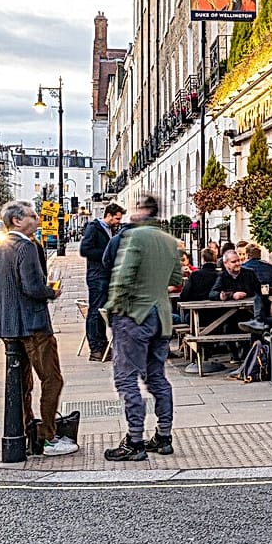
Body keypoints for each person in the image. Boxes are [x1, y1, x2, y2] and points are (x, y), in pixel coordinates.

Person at [0, 200, 77, 456]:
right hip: (34, 326)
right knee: (52, 379)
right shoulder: (27, 247)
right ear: (17, 221)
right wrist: (51, 292)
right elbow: (32, 287)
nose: (37, 219)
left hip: (9, 329)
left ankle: (26, 431)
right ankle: (48, 438)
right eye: (32, 216)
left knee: (22, 384)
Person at [103, 194, 183, 461]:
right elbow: (176, 278)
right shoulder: (170, 241)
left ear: (144, 211)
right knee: (157, 377)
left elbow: (122, 276)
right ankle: (164, 436)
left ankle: (134, 441)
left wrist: (112, 307)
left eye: (137, 208)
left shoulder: (134, 237)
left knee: (126, 377)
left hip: (135, 315)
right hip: (162, 317)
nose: (133, 213)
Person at [79, 203, 125, 361]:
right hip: (97, 276)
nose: (118, 222)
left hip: (105, 275)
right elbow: (85, 250)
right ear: (109, 215)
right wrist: (108, 253)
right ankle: (96, 349)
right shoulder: (94, 228)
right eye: (117, 218)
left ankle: (103, 345)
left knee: (102, 312)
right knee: (95, 312)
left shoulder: (111, 229)